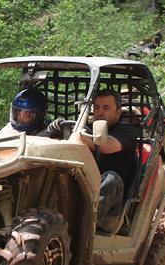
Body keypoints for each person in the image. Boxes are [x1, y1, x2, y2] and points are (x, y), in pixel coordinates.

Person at [46, 89, 138, 232]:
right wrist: (56, 131)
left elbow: (108, 145)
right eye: (96, 107)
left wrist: (78, 135)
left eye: (106, 108)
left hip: (112, 210)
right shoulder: (88, 129)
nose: (100, 112)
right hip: (84, 192)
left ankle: (76, 228)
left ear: (118, 112)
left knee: (111, 178)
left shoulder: (127, 130)